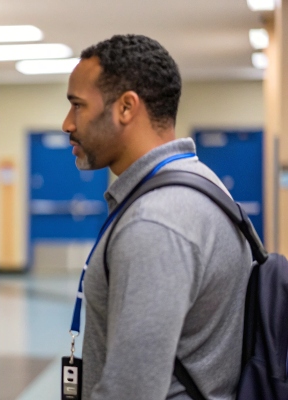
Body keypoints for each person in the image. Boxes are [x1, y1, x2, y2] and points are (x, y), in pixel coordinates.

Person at [62, 34, 252, 399]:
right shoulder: (202, 181)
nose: (67, 123)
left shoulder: (155, 222)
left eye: (77, 106)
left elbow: (132, 389)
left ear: (126, 107)